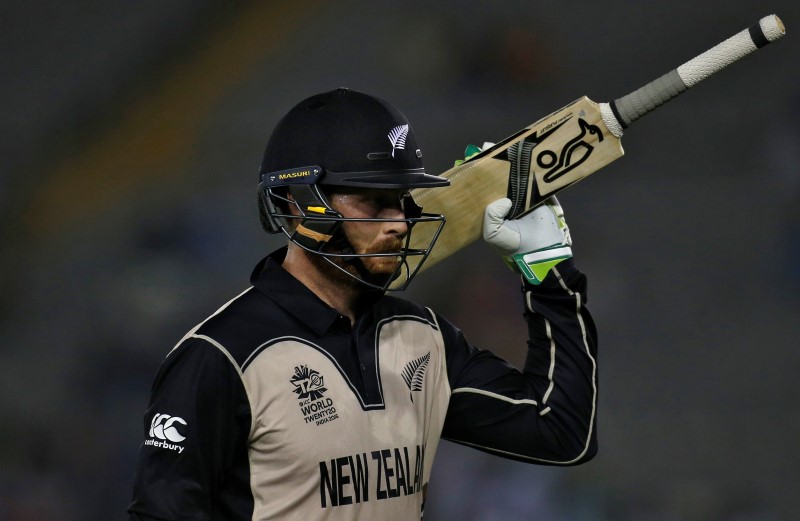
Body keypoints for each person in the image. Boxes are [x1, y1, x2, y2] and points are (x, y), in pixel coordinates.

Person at [128, 88, 598, 521]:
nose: (397, 223)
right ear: (296, 202)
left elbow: (560, 432)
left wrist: (546, 272)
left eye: (402, 201)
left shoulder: (424, 338)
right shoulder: (220, 356)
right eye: (373, 202)